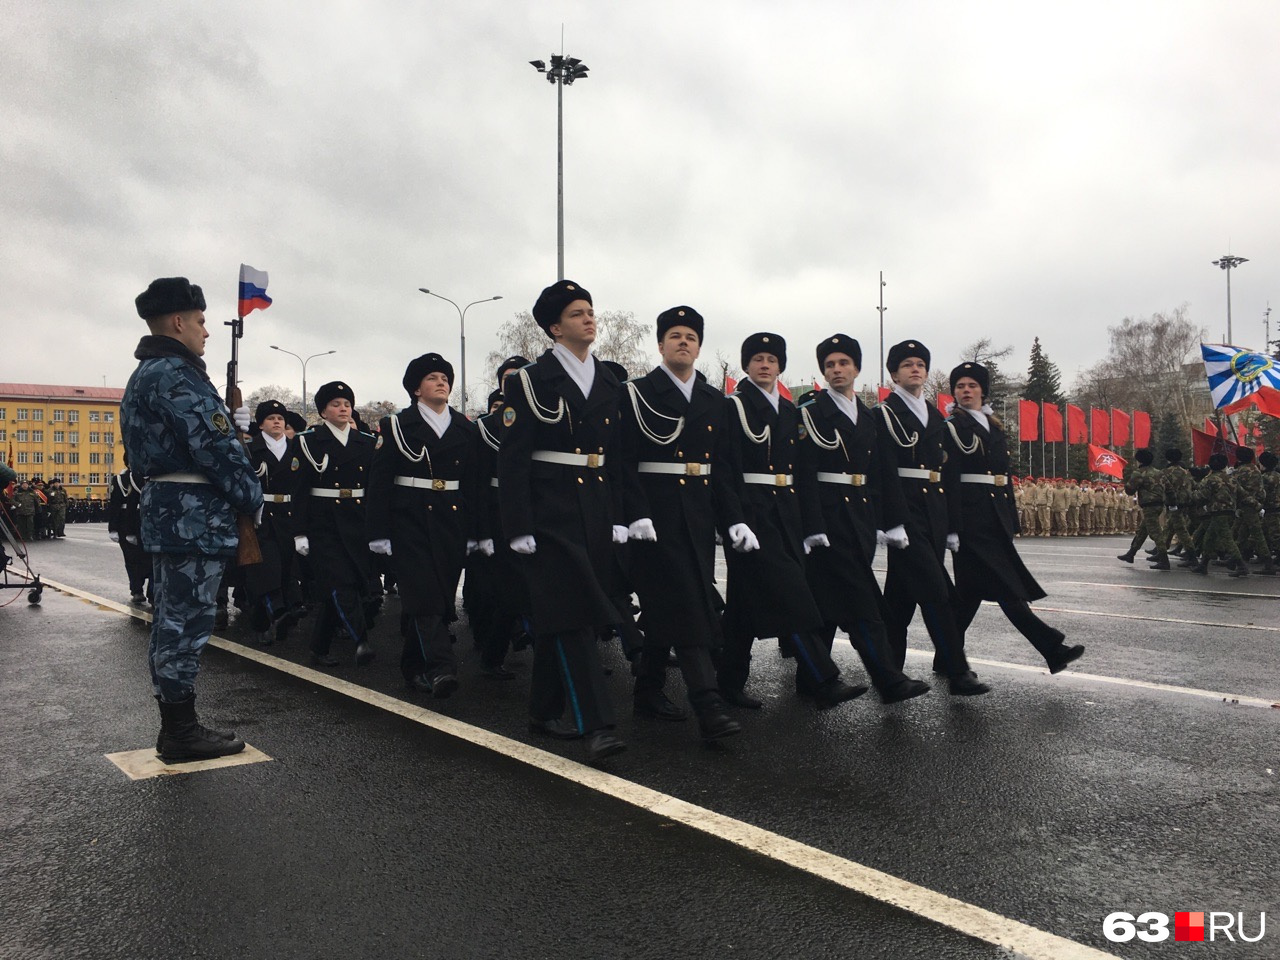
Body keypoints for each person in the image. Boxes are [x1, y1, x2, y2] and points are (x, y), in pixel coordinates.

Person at [123, 276, 261, 762]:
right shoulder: (176, 375)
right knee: (185, 624)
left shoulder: (147, 372)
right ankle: (180, 732)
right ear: (178, 322)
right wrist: (251, 494)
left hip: (172, 512)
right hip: (193, 517)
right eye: (201, 322)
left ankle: (177, 726)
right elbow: (216, 446)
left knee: (171, 622)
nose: (205, 331)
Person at [497, 280, 626, 763]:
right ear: (554, 327)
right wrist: (518, 526)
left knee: (566, 615)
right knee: (575, 613)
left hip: (595, 508)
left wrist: (620, 517)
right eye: (576, 314)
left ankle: (543, 709)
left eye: (591, 311)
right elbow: (512, 461)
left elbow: (615, 460)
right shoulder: (529, 381)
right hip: (549, 512)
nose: (589, 319)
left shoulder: (611, 381)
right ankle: (597, 723)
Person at [716, 332, 866, 710]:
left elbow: (801, 474)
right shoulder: (732, 408)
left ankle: (727, 685)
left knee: (741, 608)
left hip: (785, 513)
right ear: (746, 366)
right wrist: (733, 519)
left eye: (771, 359)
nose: (765, 365)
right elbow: (724, 469)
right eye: (757, 359)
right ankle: (823, 678)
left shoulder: (789, 411)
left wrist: (807, 525)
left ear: (780, 366)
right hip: (752, 517)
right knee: (792, 597)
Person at [618, 306, 744, 741]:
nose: (683, 342)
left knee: (665, 604)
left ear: (699, 346)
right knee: (689, 603)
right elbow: (623, 461)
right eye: (674, 335)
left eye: (691, 336)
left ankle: (647, 691)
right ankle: (708, 705)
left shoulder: (714, 400)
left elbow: (722, 467)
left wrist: (735, 520)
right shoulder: (636, 393)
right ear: (660, 344)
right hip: (653, 517)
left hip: (697, 514)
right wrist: (633, 513)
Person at [796, 335, 931, 703]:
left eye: (843, 363)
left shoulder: (869, 416)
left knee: (825, 603)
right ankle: (889, 680)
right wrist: (810, 525)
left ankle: (810, 681)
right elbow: (804, 474)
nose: (837, 370)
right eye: (830, 365)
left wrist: (892, 520)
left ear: (856, 368)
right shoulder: (809, 414)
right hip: (828, 518)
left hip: (860, 515)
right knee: (864, 604)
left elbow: (883, 473)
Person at [942, 362, 1084, 673]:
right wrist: (951, 526)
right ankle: (1051, 647)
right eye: (960, 386)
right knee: (1006, 587)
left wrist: (1010, 518)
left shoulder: (994, 427)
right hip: (970, 519)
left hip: (993, 517)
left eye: (972, 386)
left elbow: (1003, 478)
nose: (966, 391)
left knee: (970, 594)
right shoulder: (952, 427)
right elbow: (948, 480)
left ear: (983, 391)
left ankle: (946, 656)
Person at [876, 340, 988, 695]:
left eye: (920, 364)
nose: (915, 369)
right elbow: (882, 471)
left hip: (934, 513)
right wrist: (890, 519)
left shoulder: (936, 415)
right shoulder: (883, 414)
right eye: (907, 364)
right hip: (905, 514)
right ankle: (958, 672)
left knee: (900, 597)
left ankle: (889, 672)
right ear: (894, 373)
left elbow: (948, 474)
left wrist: (952, 525)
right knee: (938, 592)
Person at [369, 353, 482, 697]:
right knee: (424, 595)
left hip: (451, 519)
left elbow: (474, 484)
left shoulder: (465, 427)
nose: (442, 382)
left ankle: (412, 667)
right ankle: (441, 668)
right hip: (410, 518)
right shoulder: (398, 426)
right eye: (433, 378)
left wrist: (479, 532)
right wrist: (378, 532)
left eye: (445, 378)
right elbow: (380, 481)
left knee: (441, 595)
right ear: (416, 389)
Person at [292, 381, 378, 667]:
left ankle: (319, 647)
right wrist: (299, 531)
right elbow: (300, 490)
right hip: (324, 522)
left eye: (347, 404)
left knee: (345, 585)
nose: (343, 408)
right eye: (335, 404)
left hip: (357, 519)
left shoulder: (365, 442)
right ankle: (360, 640)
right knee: (341, 582)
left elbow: (373, 488)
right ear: (323, 412)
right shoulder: (308, 441)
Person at [241, 400, 306, 643]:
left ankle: (275, 617)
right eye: (271, 418)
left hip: (289, 512)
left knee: (287, 566)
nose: (277, 422)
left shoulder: (296, 448)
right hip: (262, 514)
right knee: (267, 567)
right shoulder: (250, 449)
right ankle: (272, 613)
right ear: (261, 424)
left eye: (280, 418)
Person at [1190, 453, 1247, 577]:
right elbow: (1242, 494)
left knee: (1227, 540)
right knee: (1209, 539)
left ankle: (1241, 565)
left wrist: (1192, 494)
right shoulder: (1231, 478)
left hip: (1217, 512)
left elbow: (1202, 496)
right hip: (1230, 511)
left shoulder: (1209, 479)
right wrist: (1256, 504)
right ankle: (1203, 565)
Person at [107, 461, 151, 604]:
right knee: (132, 560)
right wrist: (113, 528)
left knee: (151, 560)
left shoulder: (151, 475)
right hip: (126, 524)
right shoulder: (121, 480)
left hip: (147, 522)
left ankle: (152, 592)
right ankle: (137, 590)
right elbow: (114, 505)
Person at [1118, 449, 1166, 566]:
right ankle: (1131, 553)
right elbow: (1168, 487)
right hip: (1159, 504)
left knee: (1155, 533)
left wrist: (1127, 483)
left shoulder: (1139, 473)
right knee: (1142, 531)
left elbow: (1130, 490)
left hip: (1149, 505)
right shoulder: (1159, 472)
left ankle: (1164, 559)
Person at [1230, 447, 1274, 575]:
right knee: (1242, 535)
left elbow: (1235, 490)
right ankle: (1236, 561)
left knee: (1257, 535)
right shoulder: (1256, 469)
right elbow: (1261, 491)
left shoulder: (1241, 472)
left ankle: (1268, 563)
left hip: (1247, 505)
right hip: (1255, 504)